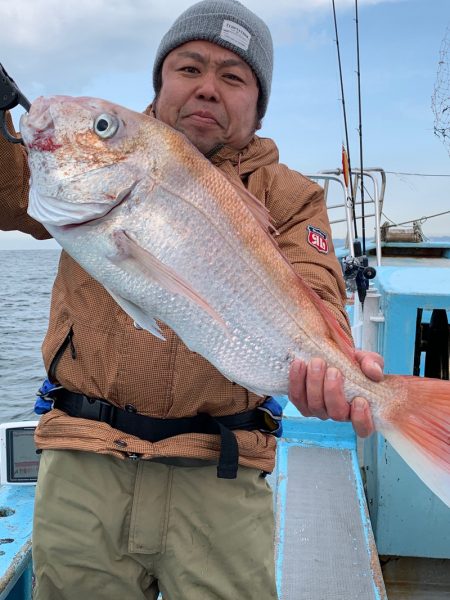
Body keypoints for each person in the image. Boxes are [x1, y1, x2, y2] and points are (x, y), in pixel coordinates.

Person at [0, 1, 383, 598]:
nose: (208, 88)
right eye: (189, 68)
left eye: (233, 77)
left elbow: (318, 284)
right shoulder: (89, 161)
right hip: (84, 456)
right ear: (160, 83)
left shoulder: (292, 195)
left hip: (222, 470)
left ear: (258, 105)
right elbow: (7, 184)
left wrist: (333, 359)